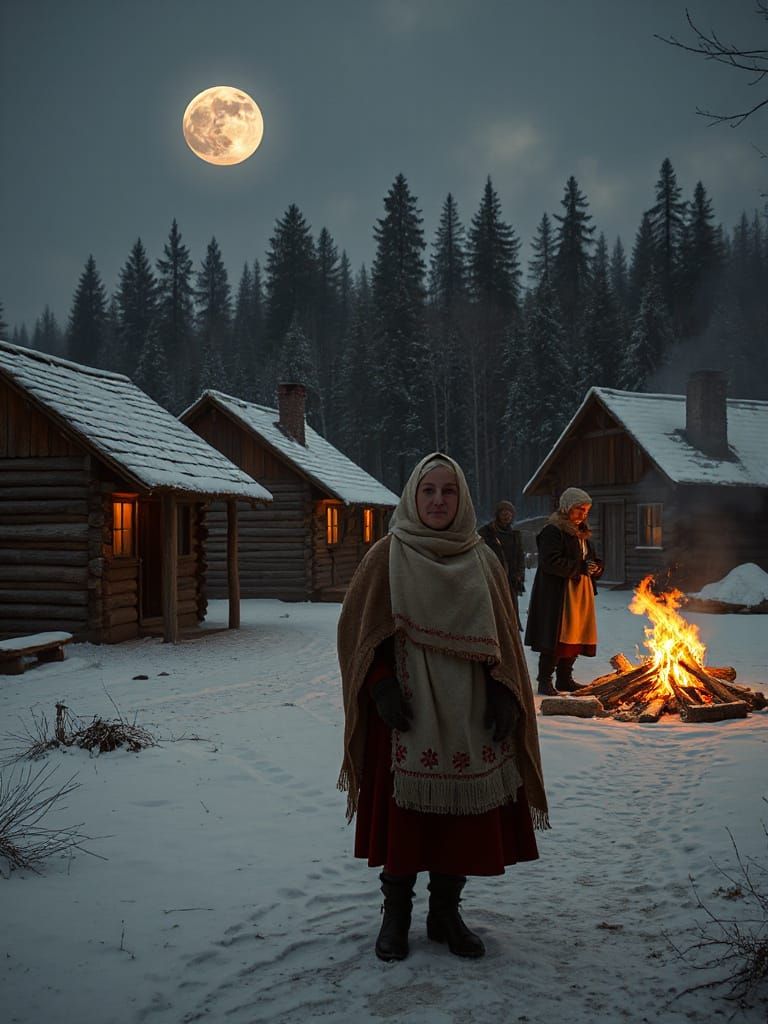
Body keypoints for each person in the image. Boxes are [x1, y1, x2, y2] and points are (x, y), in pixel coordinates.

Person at [338, 452, 548, 963]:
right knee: (405, 820)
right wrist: (382, 687)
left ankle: (445, 913)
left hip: (470, 711)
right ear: (413, 495)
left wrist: (504, 692)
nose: (437, 500)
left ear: (462, 499)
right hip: (406, 714)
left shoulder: (483, 559)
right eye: (428, 491)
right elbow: (359, 634)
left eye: (447, 491)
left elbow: (504, 637)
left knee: (460, 821)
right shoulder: (386, 555)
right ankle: (397, 915)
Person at [524, 487, 604, 696]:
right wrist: (580, 568)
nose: (583, 514)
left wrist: (596, 567)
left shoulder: (582, 533)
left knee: (576, 634)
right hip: (559, 594)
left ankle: (564, 679)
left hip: (580, 592)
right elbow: (550, 562)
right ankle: (545, 680)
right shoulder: (553, 531)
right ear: (567, 507)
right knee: (557, 636)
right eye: (579, 509)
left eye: (586, 510)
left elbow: (590, 558)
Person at [479, 500, 526, 629]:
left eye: (509, 513)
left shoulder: (514, 535)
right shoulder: (487, 533)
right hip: (492, 577)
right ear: (498, 514)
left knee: (510, 613)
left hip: (510, 579)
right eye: (504, 512)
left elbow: (520, 557)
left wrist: (519, 574)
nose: (507, 516)